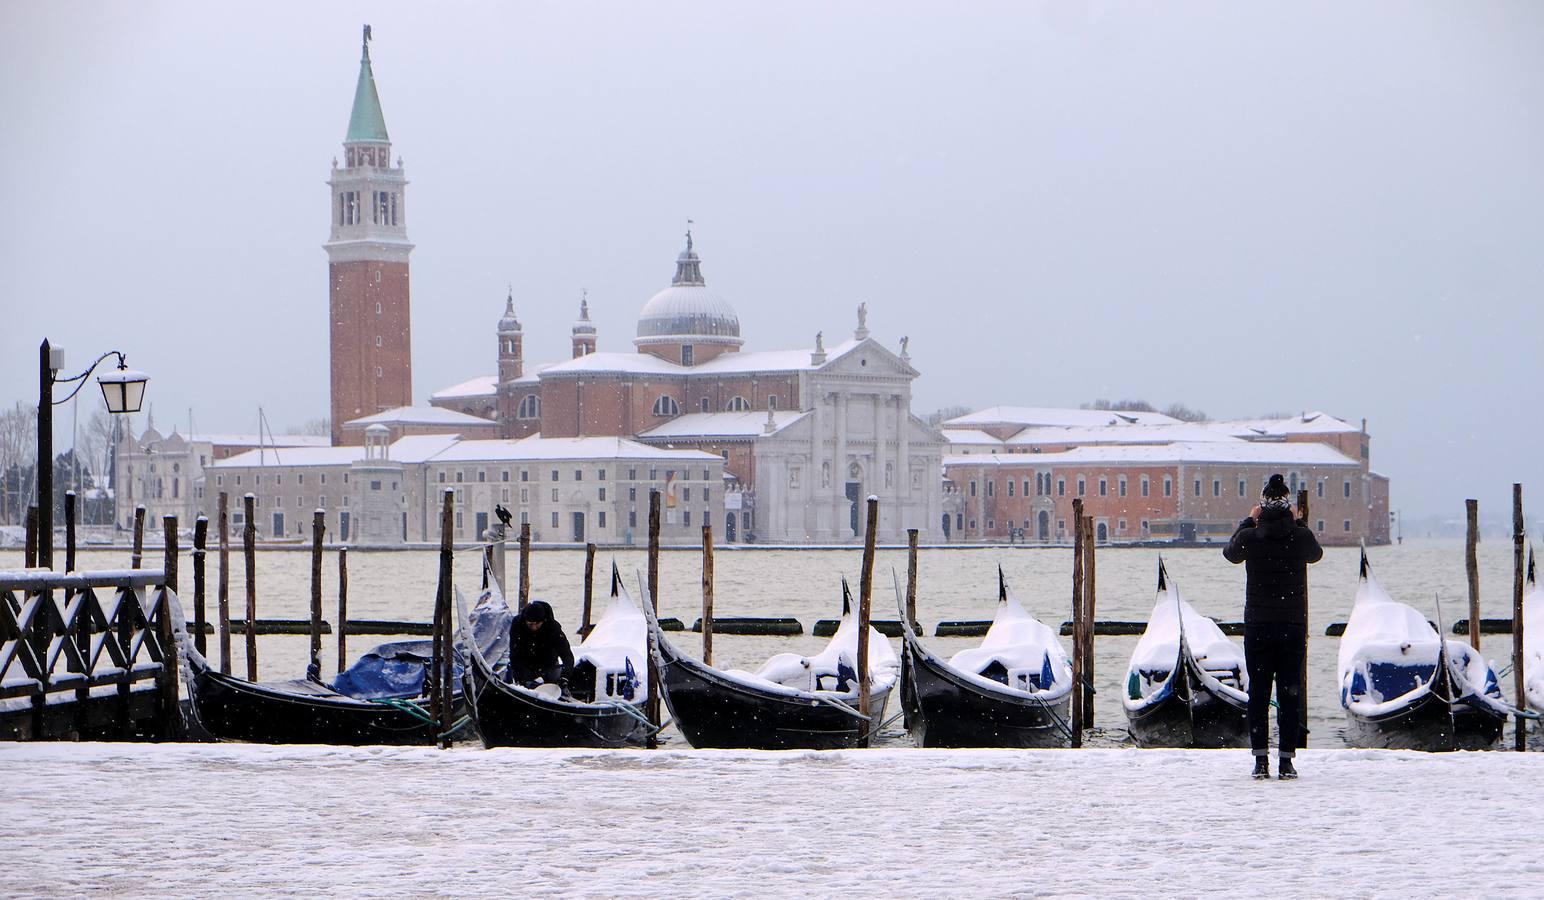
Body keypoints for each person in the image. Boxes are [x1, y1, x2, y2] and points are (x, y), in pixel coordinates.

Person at [1223, 473, 1323, 781]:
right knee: (1290, 693)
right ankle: (1287, 761)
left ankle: (1260, 761)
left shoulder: (1251, 537)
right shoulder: (1300, 536)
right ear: (1289, 506)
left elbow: (1230, 554)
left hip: (1258, 626)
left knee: (1259, 693)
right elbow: (1315, 555)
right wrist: (1299, 523)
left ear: (1262, 507)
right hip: (1291, 625)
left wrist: (1246, 521)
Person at [508, 600, 575, 694]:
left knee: (557, 688)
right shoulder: (517, 625)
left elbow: (567, 655)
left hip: (549, 665)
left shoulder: (553, 627)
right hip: (526, 666)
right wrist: (519, 678)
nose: (534, 627)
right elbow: (514, 654)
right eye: (530, 624)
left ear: (543, 621)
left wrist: (565, 677)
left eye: (537, 624)